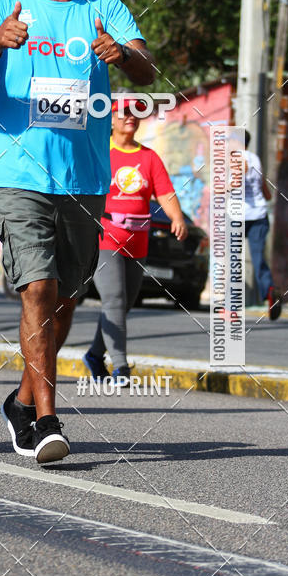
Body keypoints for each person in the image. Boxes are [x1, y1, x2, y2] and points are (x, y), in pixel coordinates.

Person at [0, 0, 154, 464]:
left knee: (65, 298)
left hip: (85, 177)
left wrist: (123, 54)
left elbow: (146, 69)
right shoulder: (4, 2)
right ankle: (46, 418)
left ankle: (21, 400)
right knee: (38, 289)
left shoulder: (105, 7)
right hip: (18, 172)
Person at [83, 98, 187, 383]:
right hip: (106, 236)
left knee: (124, 304)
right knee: (114, 299)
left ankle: (94, 354)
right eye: (124, 112)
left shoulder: (149, 157)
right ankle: (121, 366)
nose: (131, 117)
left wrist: (177, 217)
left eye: (136, 113)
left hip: (138, 240)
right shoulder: (100, 151)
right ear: (111, 119)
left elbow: (164, 192)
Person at [244, 130, 281, 320]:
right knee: (259, 260)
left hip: (240, 216)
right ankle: (270, 290)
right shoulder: (255, 159)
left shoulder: (236, 159)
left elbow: (235, 181)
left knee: (231, 260)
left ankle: (230, 303)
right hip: (259, 214)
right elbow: (265, 192)